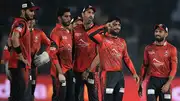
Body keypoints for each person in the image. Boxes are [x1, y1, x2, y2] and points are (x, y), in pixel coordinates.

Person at [87, 16, 139, 101]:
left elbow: (127, 59)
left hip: (119, 76)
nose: (117, 27)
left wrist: (134, 73)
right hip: (107, 74)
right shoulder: (102, 39)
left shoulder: (122, 41)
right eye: (115, 24)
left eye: (119, 25)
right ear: (109, 25)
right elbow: (90, 33)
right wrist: (104, 26)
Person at [6, 1, 39, 101]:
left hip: (16, 65)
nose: (33, 14)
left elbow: (9, 40)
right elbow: (14, 39)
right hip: (19, 65)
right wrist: (20, 56)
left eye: (34, 11)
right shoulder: (21, 23)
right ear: (23, 11)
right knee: (21, 96)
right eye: (30, 11)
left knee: (16, 96)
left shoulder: (17, 22)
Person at [138, 24, 178, 101]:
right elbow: (144, 66)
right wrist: (140, 83)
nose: (157, 33)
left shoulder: (172, 49)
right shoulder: (148, 48)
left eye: (160, 31)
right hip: (152, 81)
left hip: (165, 81)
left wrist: (168, 83)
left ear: (166, 34)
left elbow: (174, 68)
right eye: (156, 31)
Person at [73, 5, 100, 101]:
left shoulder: (98, 31)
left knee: (94, 98)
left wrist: (88, 70)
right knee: (77, 98)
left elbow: (100, 54)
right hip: (76, 71)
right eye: (88, 12)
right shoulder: (75, 30)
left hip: (92, 72)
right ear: (82, 14)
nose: (91, 15)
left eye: (92, 13)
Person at [49, 7, 75, 101]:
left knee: (70, 98)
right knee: (59, 98)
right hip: (60, 72)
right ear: (59, 18)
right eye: (66, 16)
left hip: (69, 71)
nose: (68, 18)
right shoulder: (56, 32)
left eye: (69, 16)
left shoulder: (68, 32)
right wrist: (60, 73)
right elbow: (53, 54)